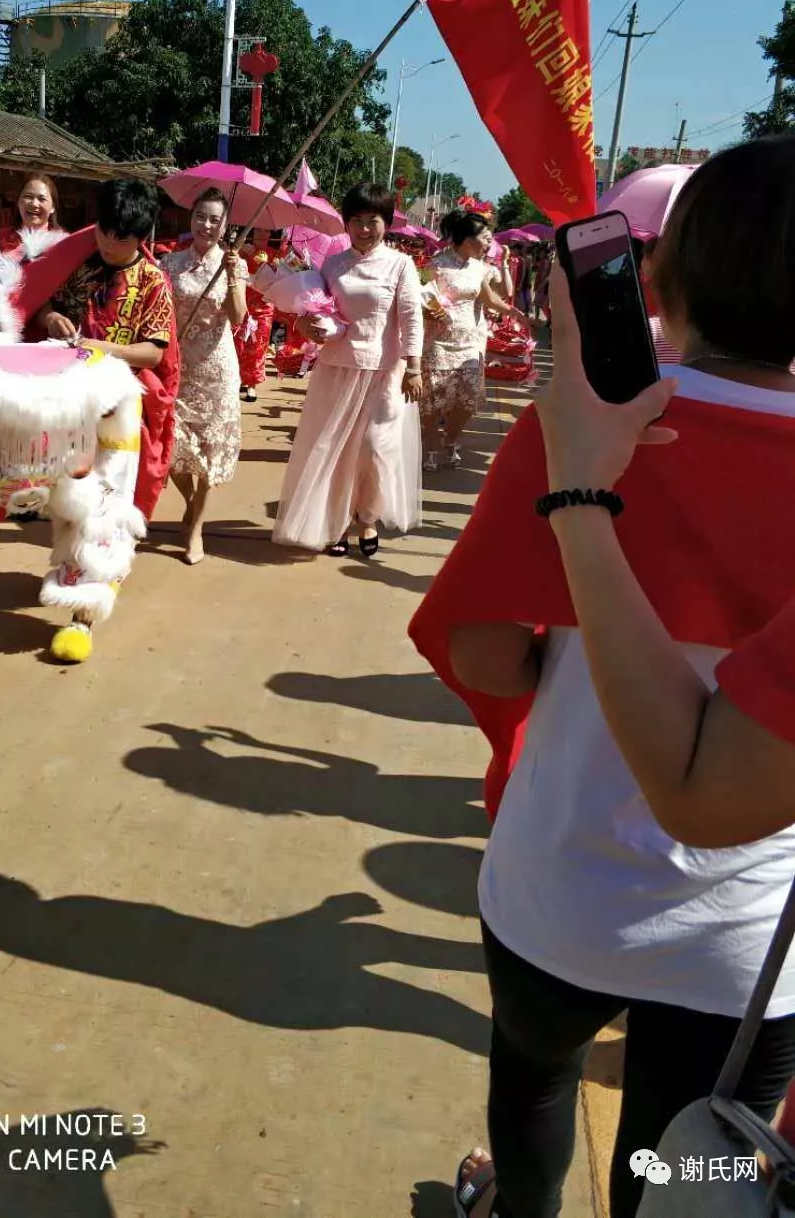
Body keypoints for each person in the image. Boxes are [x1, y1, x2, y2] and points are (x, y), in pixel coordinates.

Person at [408, 136, 795, 1218]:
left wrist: (555, 662)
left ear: (661, 279)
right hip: (748, 937)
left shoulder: (582, 424)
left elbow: (483, 648)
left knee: (533, 1094)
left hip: (561, 883)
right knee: (682, 1177)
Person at [271, 181, 423, 557]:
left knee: (374, 449)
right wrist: (304, 325)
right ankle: (334, 522)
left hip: (383, 373)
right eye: (356, 220)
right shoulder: (333, 263)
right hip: (337, 367)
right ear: (346, 222)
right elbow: (316, 308)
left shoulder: (401, 265)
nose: (364, 229)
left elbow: (411, 318)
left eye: (373, 220)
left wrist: (414, 366)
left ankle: (367, 516)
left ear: (386, 223)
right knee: (335, 449)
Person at [27, 178, 178, 521]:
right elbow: (43, 300)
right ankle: (72, 562)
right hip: (72, 398)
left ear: (141, 237)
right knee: (70, 488)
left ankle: (103, 567)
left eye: (121, 238)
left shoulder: (153, 281)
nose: (109, 243)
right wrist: (50, 316)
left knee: (110, 488)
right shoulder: (80, 264)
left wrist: (103, 349)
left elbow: (154, 353)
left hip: (121, 404)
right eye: (104, 231)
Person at [158, 189, 248, 565]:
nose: (206, 225)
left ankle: (195, 528)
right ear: (190, 218)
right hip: (181, 364)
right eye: (200, 216)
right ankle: (192, 503)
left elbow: (239, 316)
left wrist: (230, 276)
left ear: (226, 226)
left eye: (215, 219)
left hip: (218, 367)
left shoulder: (234, 264)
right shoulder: (171, 263)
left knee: (211, 449)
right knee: (174, 447)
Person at [419, 209, 524, 471]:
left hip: (472, 343)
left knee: (466, 399)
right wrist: (427, 310)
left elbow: (489, 299)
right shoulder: (436, 265)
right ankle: (431, 444)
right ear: (468, 238)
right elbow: (422, 298)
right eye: (486, 238)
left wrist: (510, 311)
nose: (490, 244)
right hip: (439, 341)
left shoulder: (480, 269)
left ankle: (451, 440)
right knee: (434, 397)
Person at [235, 227, 277, 402]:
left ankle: (251, 384)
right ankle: (238, 379)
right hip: (243, 305)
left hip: (264, 308)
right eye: (258, 230)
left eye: (265, 231)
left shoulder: (276, 254)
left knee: (258, 347)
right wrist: (239, 250)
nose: (262, 233)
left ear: (270, 233)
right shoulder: (243, 249)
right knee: (239, 345)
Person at [0, 172, 68, 264]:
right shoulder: (0, 238)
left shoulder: (63, 242)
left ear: (53, 207)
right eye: (28, 197)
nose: (34, 204)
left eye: (42, 199)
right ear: (18, 201)